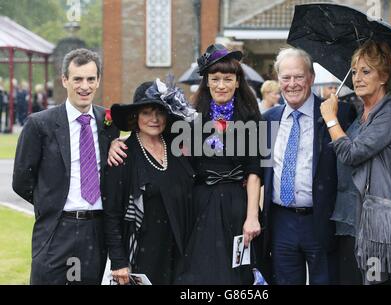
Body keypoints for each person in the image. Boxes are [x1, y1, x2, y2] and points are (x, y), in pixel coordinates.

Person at [108, 43, 264, 284]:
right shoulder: (190, 119)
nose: (221, 85)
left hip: (237, 206)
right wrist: (115, 143)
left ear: (237, 81)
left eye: (227, 78)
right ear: (207, 81)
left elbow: (255, 170)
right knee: (196, 275)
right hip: (199, 206)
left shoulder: (251, 117)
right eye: (215, 79)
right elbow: (153, 132)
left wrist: (252, 215)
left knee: (235, 277)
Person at [12, 48, 119, 284]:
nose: (85, 86)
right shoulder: (40, 124)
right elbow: (21, 181)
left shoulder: (108, 122)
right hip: (57, 230)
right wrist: (52, 203)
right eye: (78, 79)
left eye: (91, 79)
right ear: (65, 80)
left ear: (98, 80)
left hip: (96, 230)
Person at [261, 48, 356, 285]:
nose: (292, 84)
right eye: (286, 77)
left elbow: (357, 157)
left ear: (311, 78)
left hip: (322, 221)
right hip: (281, 222)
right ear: (278, 80)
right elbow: (260, 170)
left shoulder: (338, 113)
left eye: (298, 77)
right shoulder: (269, 119)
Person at [320, 40, 391, 285]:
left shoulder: (390, 113)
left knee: (373, 282)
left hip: (374, 225)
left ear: (383, 77)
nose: (357, 78)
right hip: (349, 217)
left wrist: (331, 120)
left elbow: (353, 153)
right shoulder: (362, 113)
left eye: (366, 71)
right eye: (354, 71)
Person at [104, 79, 196, 285]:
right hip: (143, 254)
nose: (154, 119)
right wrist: (118, 261)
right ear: (135, 116)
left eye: (159, 112)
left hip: (181, 248)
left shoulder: (178, 148)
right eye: (146, 112)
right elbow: (111, 214)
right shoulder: (122, 155)